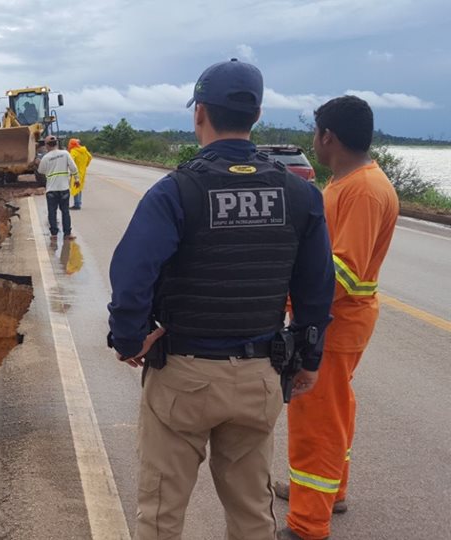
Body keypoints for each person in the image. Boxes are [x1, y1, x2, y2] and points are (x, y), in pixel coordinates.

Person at [107, 58, 335, 540]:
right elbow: (317, 288)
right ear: (255, 116)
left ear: (199, 114)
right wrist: (310, 357)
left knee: (162, 515)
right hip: (260, 377)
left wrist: (129, 340)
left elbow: (132, 275)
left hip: (183, 376)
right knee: (253, 514)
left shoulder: (176, 191)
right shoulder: (298, 195)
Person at [275, 96, 400, 540]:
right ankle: (330, 492)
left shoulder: (364, 190)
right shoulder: (348, 183)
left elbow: (342, 271)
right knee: (335, 407)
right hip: (335, 319)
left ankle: (309, 523)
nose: (314, 140)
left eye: (316, 133)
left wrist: (290, 302)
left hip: (334, 320)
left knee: (317, 417)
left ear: (327, 136)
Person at [37, 135, 78, 241]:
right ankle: (67, 233)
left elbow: (41, 171)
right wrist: (77, 179)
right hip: (64, 189)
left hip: (51, 190)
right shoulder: (65, 154)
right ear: (57, 143)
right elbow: (73, 168)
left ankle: (54, 234)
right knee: (65, 212)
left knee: (52, 212)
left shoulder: (45, 157)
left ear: (46, 145)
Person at [68, 138, 93, 209]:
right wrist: (85, 165)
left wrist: (70, 169)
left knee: (75, 187)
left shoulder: (74, 151)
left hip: (76, 172)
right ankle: (78, 203)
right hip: (83, 171)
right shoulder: (83, 150)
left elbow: (70, 160)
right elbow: (90, 157)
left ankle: (77, 205)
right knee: (79, 187)